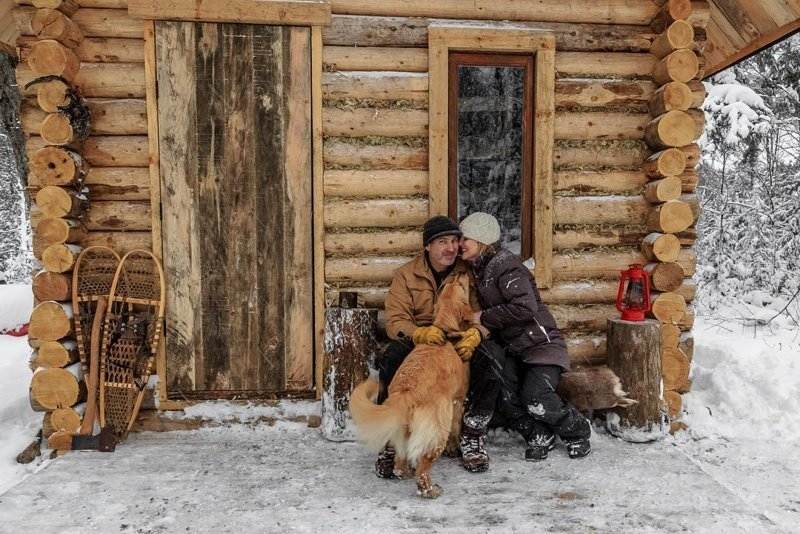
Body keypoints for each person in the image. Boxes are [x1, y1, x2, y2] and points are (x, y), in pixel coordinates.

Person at [376, 215, 505, 476]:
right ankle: (392, 440)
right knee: (392, 357)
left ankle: (473, 433)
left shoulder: (466, 274)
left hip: (458, 339)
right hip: (421, 341)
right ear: (427, 246)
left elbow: (485, 312)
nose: (450, 248)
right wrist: (419, 333)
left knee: (492, 358)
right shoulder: (406, 275)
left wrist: (477, 334)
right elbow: (396, 320)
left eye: (455, 241)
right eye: (442, 242)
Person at [458, 212, 592, 460]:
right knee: (505, 396)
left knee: (535, 397)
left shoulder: (505, 265)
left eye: (465, 238)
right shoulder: (480, 269)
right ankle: (539, 435)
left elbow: (525, 307)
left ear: (482, 240)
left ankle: (577, 432)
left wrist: (483, 317)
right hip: (515, 349)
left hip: (541, 345)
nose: (460, 244)